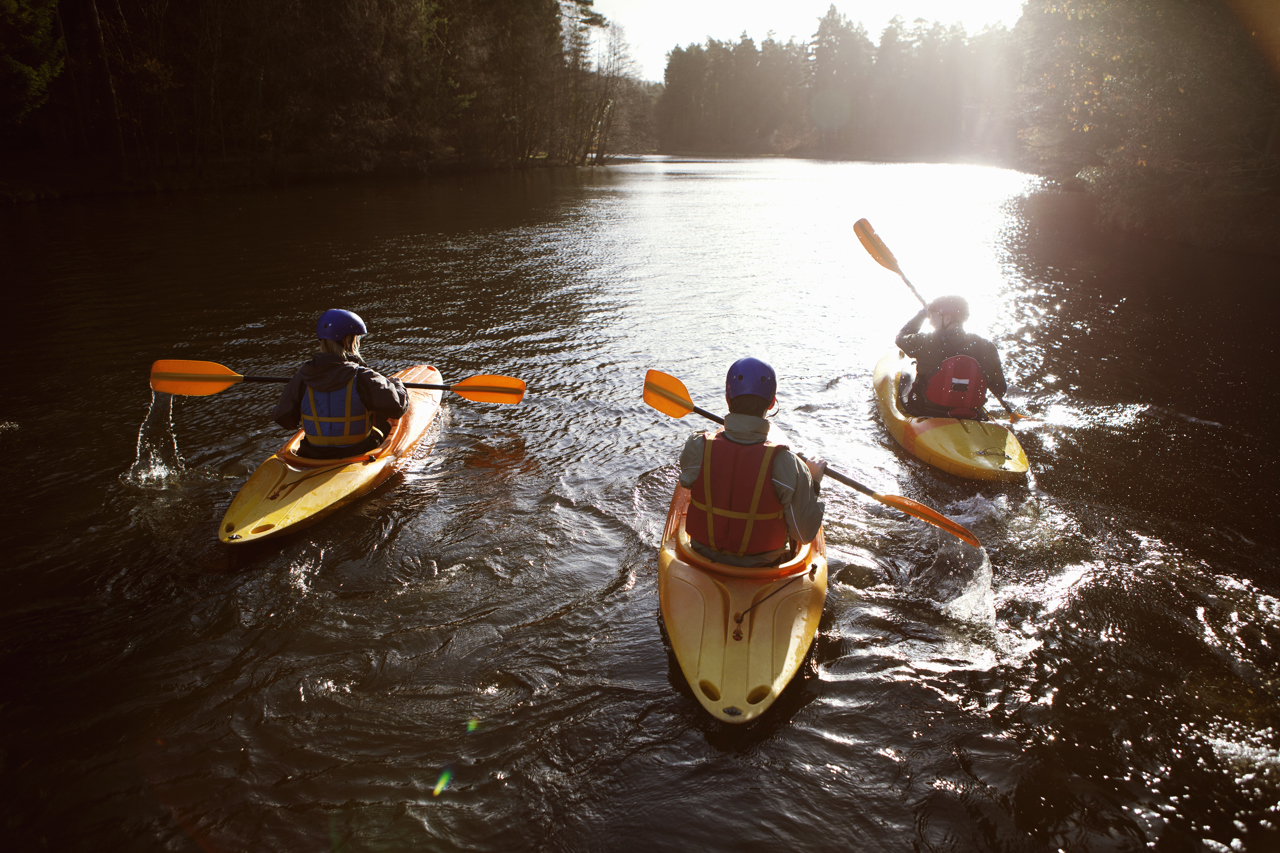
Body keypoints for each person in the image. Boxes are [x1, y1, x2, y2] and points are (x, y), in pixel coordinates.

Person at [678, 357, 826, 568]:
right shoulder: (786, 463)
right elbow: (803, 534)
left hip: (702, 560)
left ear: (728, 399)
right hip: (764, 568)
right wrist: (812, 482)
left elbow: (689, 478)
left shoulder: (698, 447)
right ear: (772, 402)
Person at [273, 309, 410, 459]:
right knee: (382, 420)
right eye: (356, 338)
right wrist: (396, 383)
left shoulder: (302, 377)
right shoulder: (362, 376)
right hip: (357, 451)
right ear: (348, 340)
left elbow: (284, 419)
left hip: (312, 454)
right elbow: (398, 407)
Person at [895, 295, 1007, 418]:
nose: (930, 321)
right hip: (971, 413)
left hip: (928, 410)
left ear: (947, 318)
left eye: (932, 316)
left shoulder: (925, 341)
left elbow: (901, 338)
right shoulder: (986, 347)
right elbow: (1000, 389)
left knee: (907, 373)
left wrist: (921, 315)